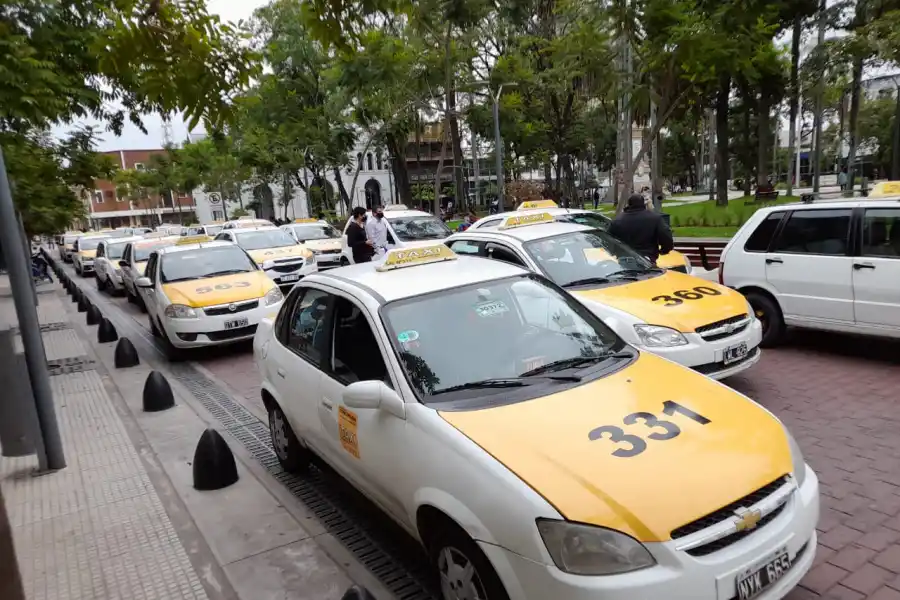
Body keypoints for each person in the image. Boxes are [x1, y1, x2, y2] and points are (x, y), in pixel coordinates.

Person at [608, 193, 674, 265]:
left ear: (629, 204)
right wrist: (664, 250)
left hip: (624, 260)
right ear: (643, 203)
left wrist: (615, 252)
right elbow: (666, 235)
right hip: (647, 259)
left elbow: (609, 240)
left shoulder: (617, 220)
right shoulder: (654, 218)